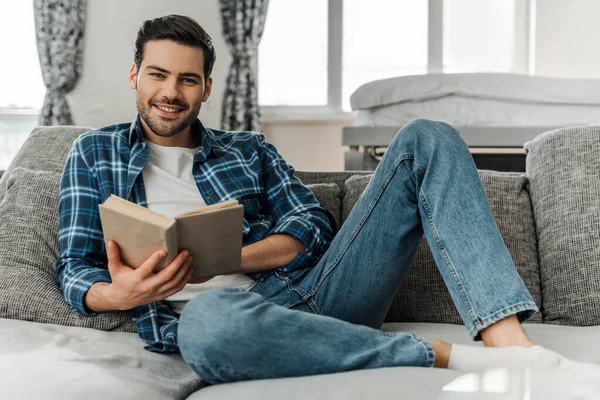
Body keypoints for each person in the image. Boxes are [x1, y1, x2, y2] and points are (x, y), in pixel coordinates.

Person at [55, 14, 584, 384]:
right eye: (158, 75)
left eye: (187, 79)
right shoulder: (93, 153)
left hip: (317, 293)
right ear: (135, 76)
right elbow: (74, 266)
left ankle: (510, 346)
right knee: (208, 321)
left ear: (207, 88)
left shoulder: (248, 150)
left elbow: (312, 227)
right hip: (221, 323)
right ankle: (442, 357)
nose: (171, 91)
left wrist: (228, 258)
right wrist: (119, 295)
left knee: (427, 134)